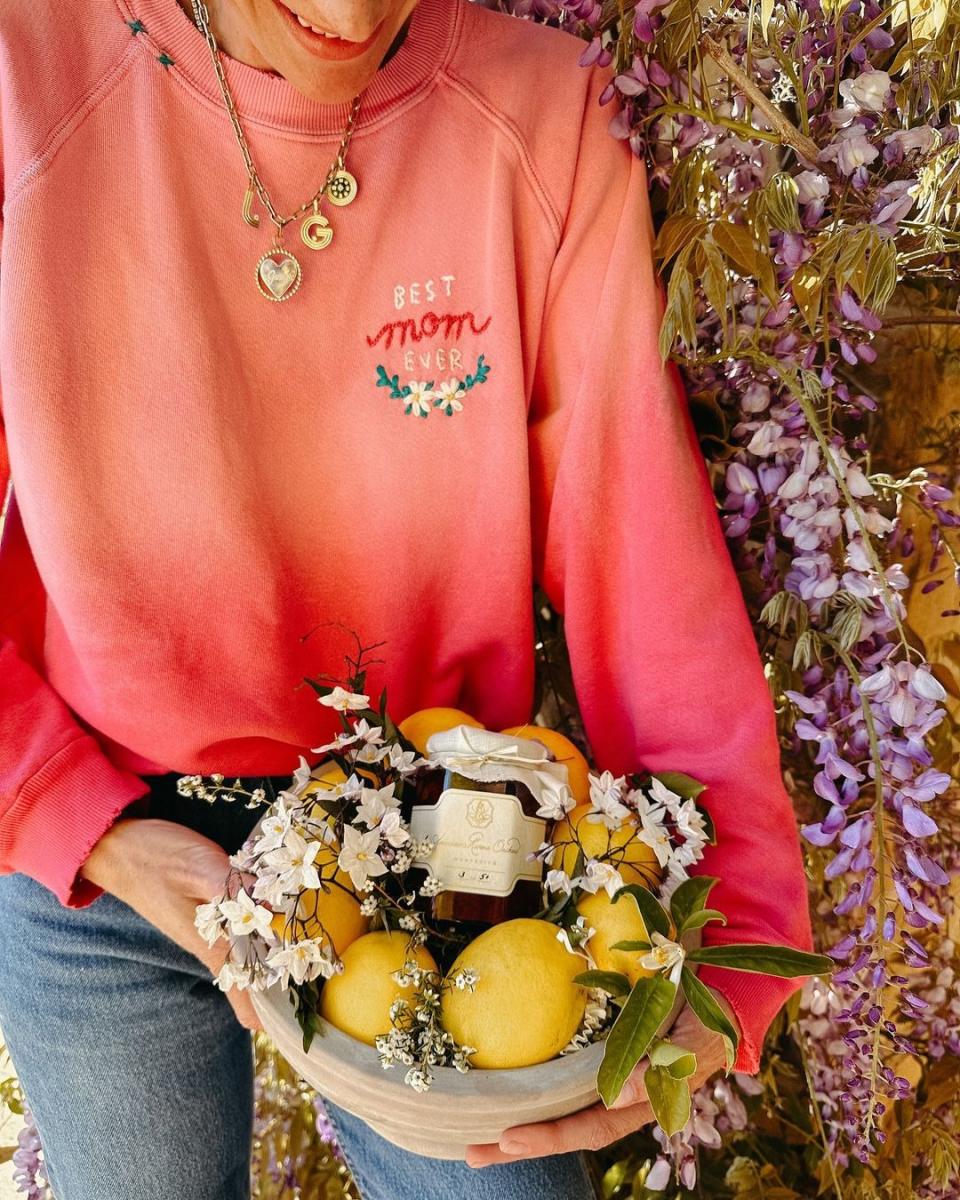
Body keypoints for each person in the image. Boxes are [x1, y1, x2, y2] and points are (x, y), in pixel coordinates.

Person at [0, 0, 814, 1196]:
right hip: (102, 853)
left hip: (450, 858)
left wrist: (726, 958)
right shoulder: (22, 74)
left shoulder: (544, 115)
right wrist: (73, 817)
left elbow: (643, 558)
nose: (345, 16)